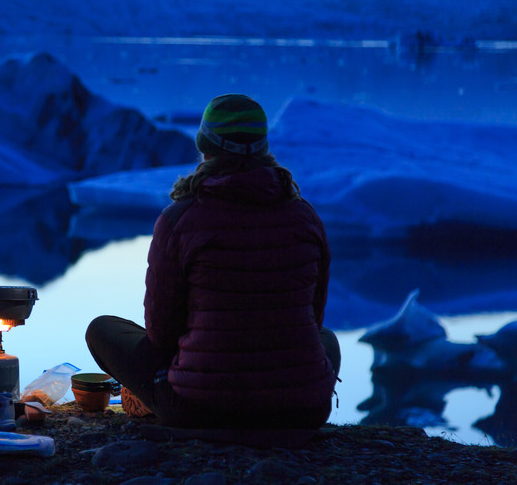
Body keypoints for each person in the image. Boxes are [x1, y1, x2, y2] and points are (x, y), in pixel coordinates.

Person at [85, 94, 340, 429]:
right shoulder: (305, 218)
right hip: (301, 410)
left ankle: (166, 402)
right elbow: (313, 315)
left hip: (200, 408)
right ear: (264, 147)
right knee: (326, 339)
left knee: (102, 330)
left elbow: (162, 333)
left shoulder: (181, 218)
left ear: (206, 146)